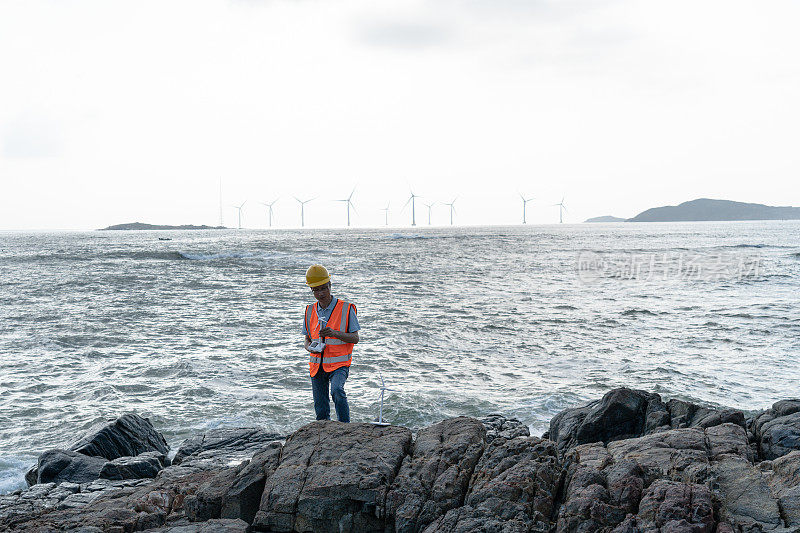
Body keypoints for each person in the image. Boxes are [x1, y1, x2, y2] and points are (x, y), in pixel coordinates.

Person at [302, 264, 359, 423]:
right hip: (316, 365)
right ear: (312, 290)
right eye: (316, 290)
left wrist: (334, 333)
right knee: (321, 409)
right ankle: (323, 435)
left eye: (324, 288)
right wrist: (309, 348)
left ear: (330, 285)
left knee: (337, 391)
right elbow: (307, 339)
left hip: (340, 363)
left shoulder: (347, 309)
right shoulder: (309, 310)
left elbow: (355, 338)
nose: (321, 293)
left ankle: (345, 427)